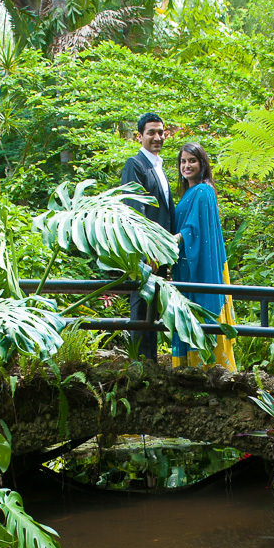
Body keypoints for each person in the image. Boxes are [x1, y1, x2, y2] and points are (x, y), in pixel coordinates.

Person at [171, 143, 236, 371]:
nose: (187, 165)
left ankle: (209, 368)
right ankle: (190, 368)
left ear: (202, 164)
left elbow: (196, 229)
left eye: (192, 161)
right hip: (186, 265)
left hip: (200, 265)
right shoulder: (188, 193)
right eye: (183, 161)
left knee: (202, 312)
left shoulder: (203, 191)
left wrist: (178, 239)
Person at [121, 112, 176, 361]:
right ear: (140, 136)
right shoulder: (135, 165)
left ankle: (150, 364)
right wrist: (146, 253)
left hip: (161, 254)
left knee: (153, 308)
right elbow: (135, 210)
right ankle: (140, 367)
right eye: (151, 132)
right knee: (141, 305)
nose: (157, 137)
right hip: (146, 254)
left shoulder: (159, 168)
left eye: (160, 132)